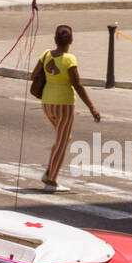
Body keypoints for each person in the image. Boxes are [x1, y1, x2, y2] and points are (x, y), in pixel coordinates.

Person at [33, 25, 100, 191]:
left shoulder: (46, 55)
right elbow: (77, 84)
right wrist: (92, 107)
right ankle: (51, 181)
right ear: (71, 40)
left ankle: (49, 171)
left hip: (47, 103)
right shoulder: (69, 60)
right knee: (62, 142)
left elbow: (34, 75)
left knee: (64, 137)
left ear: (55, 40)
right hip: (64, 105)